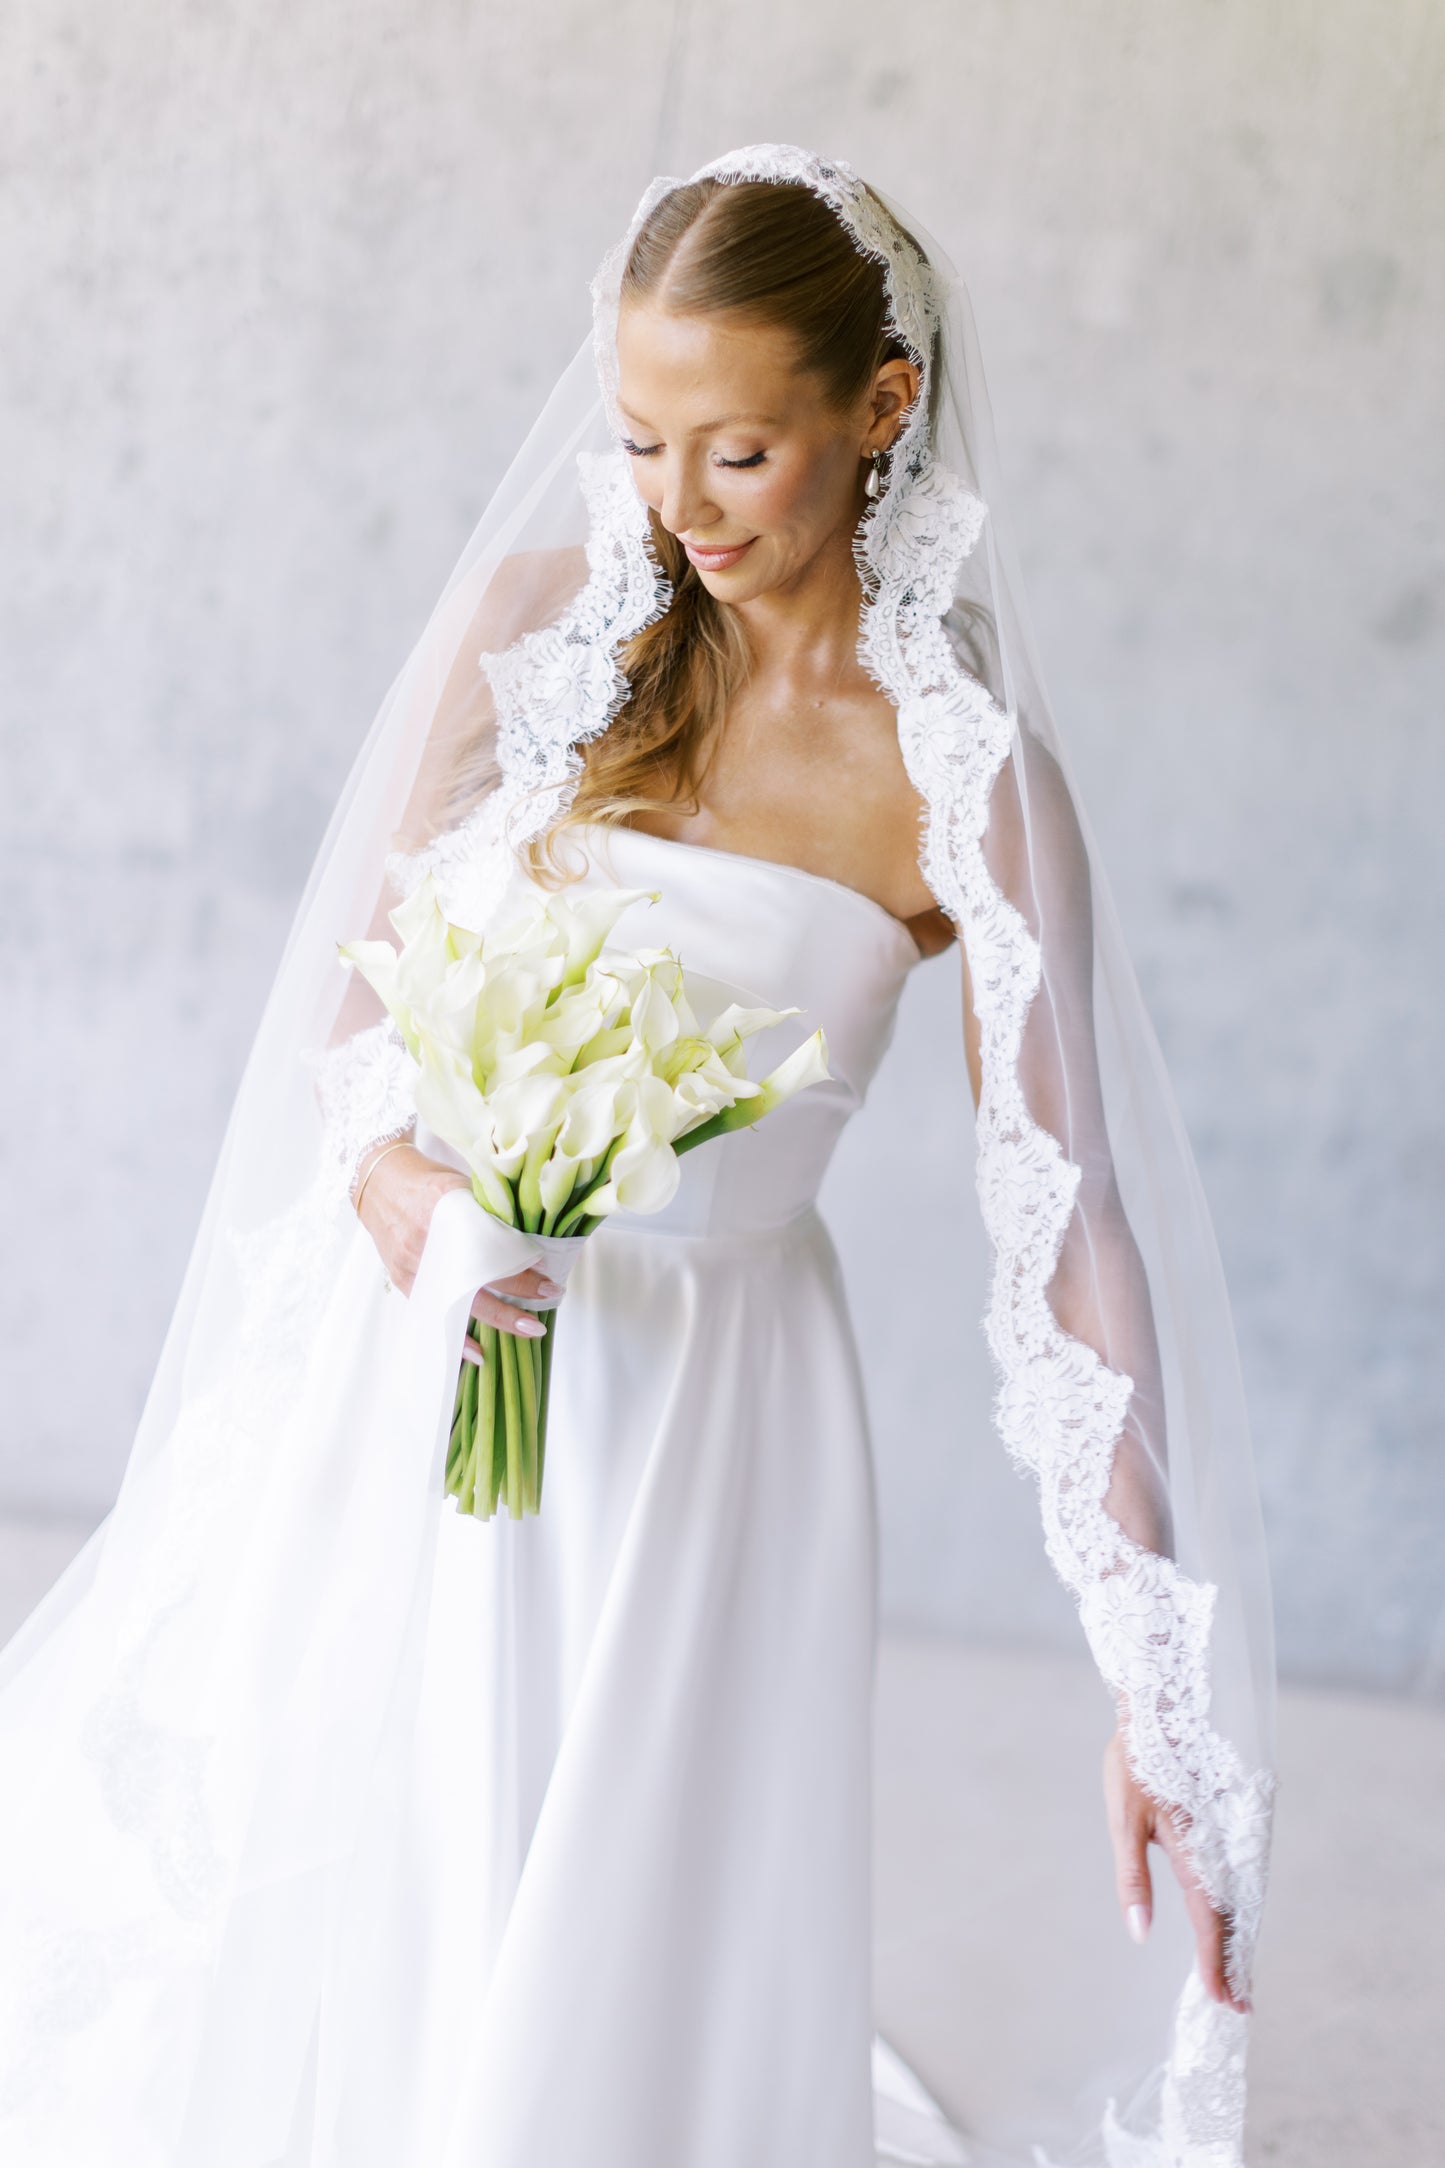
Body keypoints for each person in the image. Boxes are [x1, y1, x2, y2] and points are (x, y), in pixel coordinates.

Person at [0, 148, 1276, 2168]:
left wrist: (1155, 1671)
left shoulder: (964, 782)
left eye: (741, 449)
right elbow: (355, 1047)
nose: (675, 507)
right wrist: (445, 1225)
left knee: (621, 1944)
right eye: (637, 439)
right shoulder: (535, 639)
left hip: (715, 1427)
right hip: (436, 1364)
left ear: (881, 409)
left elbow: (1071, 1212)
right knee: (393, 1878)